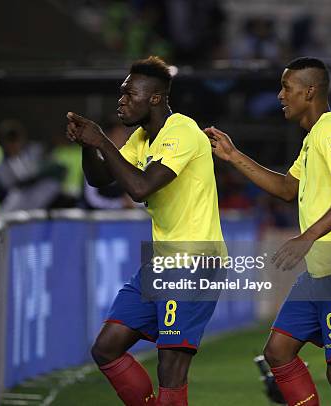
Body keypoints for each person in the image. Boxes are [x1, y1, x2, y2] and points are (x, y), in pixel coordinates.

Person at [205, 57, 331, 405]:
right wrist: (233, 155)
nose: (280, 95)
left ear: (310, 90)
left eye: (287, 87)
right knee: (278, 350)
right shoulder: (313, 137)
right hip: (323, 270)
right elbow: (287, 189)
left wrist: (308, 236)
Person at [66, 56, 226, 405]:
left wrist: (103, 140)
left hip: (195, 263)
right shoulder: (141, 138)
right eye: (121, 93)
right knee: (106, 348)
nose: (121, 100)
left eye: (129, 94)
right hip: (162, 263)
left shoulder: (181, 131)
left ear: (155, 98)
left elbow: (140, 188)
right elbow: (100, 179)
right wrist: (89, 146)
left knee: (170, 369)